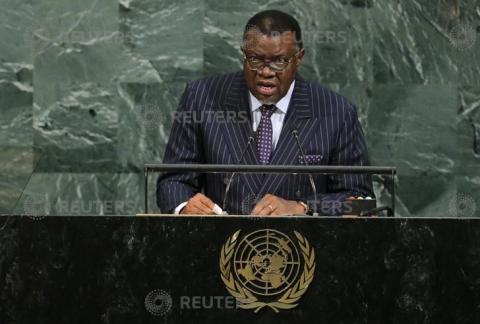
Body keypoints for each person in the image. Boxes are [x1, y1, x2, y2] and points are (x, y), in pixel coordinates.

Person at [157, 9, 373, 216]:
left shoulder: (337, 112)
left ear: (299, 57)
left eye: (279, 61)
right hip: (222, 246)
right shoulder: (202, 98)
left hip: (301, 248)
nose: (266, 72)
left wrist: (303, 207)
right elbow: (173, 182)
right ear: (244, 53)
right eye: (255, 59)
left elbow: (361, 204)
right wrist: (185, 206)